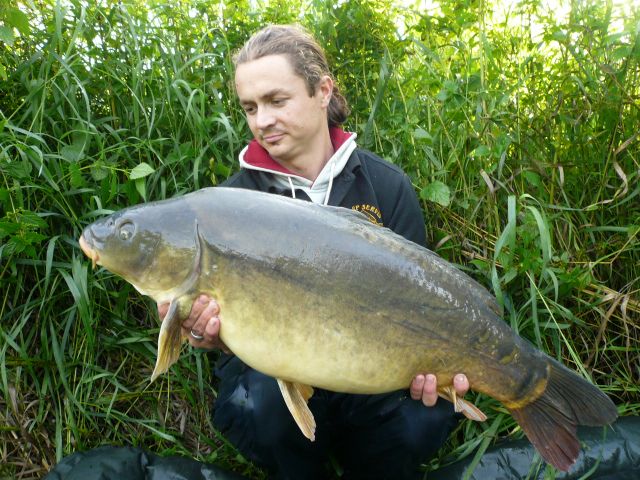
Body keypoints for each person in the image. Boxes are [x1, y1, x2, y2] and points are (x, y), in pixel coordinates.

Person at [159, 24, 469, 480]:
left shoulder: (385, 185)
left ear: (322, 91)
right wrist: (205, 334)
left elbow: (421, 303)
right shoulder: (230, 203)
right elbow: (217, 334)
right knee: (259, 410)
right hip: (275, 378)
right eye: (250, 107)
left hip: (372, 374)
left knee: (421, 418)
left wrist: (435, 366)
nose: (261, 120)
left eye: (276, 100)